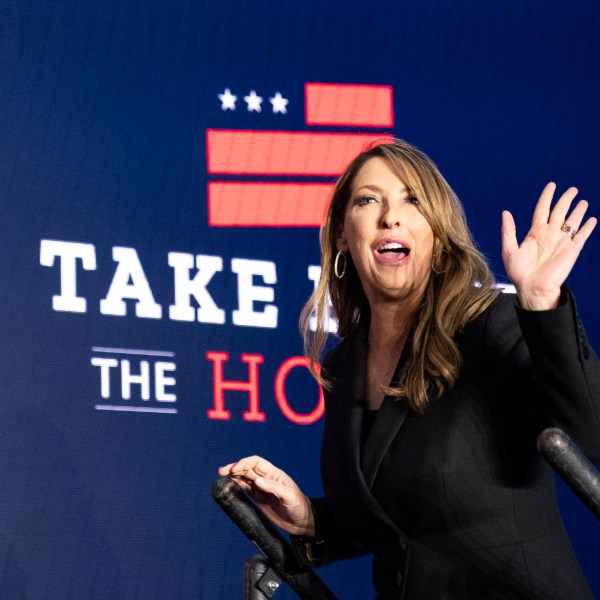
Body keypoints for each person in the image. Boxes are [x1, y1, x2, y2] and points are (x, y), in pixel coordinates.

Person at [219, 139, 600, 599]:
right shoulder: (345, 365)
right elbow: (398, 526)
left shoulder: (489, 326)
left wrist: (542, 306)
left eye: (412, 200)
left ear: (437, 234)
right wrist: (308, 518)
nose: (390, 216)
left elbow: (588, 438)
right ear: (343, 233)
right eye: (367, 200)